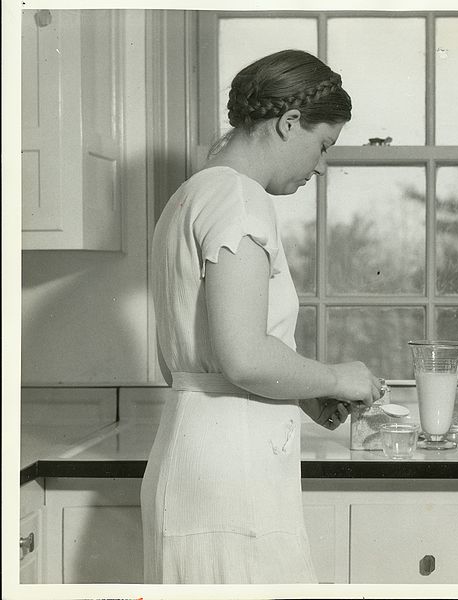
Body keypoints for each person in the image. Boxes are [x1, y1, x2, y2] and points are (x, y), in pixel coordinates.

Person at [141, 49, 384, 584]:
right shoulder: (241, 201)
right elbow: (245, 356)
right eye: (323, 146)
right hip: (231, 479)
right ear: (289, 122)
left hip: (196, 457)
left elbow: (196, 361)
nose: (320, 166)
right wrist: (338, 376)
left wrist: (300, 389)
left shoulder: (191, 196)